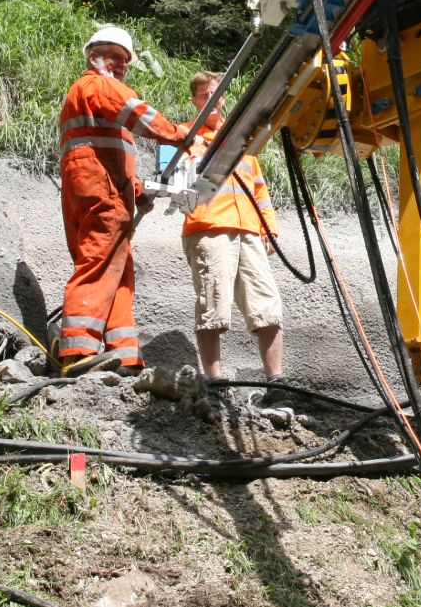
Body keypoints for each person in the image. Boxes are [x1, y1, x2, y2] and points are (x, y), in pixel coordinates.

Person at [56, 26, 188, 377]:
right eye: (114, 57)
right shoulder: (97, 85)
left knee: (117, 269)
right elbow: (138, 113)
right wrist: (179, 134)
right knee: (99, 263)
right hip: (102, 192)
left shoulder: (84, 97)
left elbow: (101, 156)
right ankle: (78, 350)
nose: (120, 66)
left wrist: (137, 190)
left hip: (96, 188)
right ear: (93, 56)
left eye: (125, 61)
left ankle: (123, 354)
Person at [179, 70, 286, 389]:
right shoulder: (183, 137)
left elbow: (258, 186)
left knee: (267, 305)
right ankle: (215, 382)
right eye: (204, 95)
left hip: (249, 230)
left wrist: (268, 227)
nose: (212, 100)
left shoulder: (242, 139)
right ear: (194, 100)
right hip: (209, 230)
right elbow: (179, 197)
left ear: (224, 97)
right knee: (213, 305)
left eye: (216, 93)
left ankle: (276, 382)